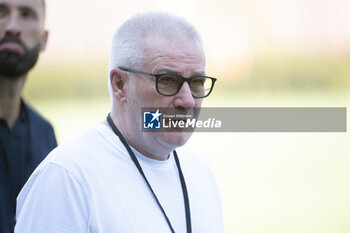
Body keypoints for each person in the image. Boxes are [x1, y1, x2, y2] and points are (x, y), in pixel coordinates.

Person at [15, 12, 223, 233]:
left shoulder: (201, 174)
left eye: (197, 82)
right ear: (120, 85)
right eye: (168, 81)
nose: (188, 100)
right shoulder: (67, 177)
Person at [0, 0, 57, 232]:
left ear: (43, 40)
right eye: (1, 11)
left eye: (26, 14)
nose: (13, 26)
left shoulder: (45, 134)